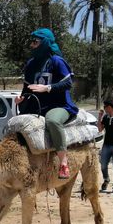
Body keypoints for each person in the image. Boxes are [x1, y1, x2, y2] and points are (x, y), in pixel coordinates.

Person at [15, 28, 78, 179]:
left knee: (52, 120)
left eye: (35, 42)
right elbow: (27, 87)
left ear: (45, 43)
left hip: (59, 105)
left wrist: (47, 88)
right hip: (37, 106)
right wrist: (21, 98)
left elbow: (68, 83)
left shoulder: (57, 61)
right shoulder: (31, 64)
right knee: (17, 124)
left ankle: (63, 163)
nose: (32, 45)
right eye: (32, 42)